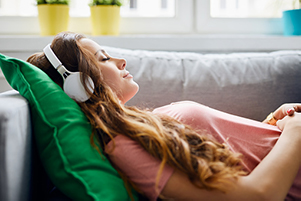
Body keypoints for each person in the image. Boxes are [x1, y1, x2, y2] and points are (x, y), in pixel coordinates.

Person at [27, 32, 301, 201]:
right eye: (103, 58)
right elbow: (259, 195)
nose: (121, 61)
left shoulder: (140, 126)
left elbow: (234, 156)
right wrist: (295, 131)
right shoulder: (125, 147)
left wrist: (272, 125)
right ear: (80, 85)